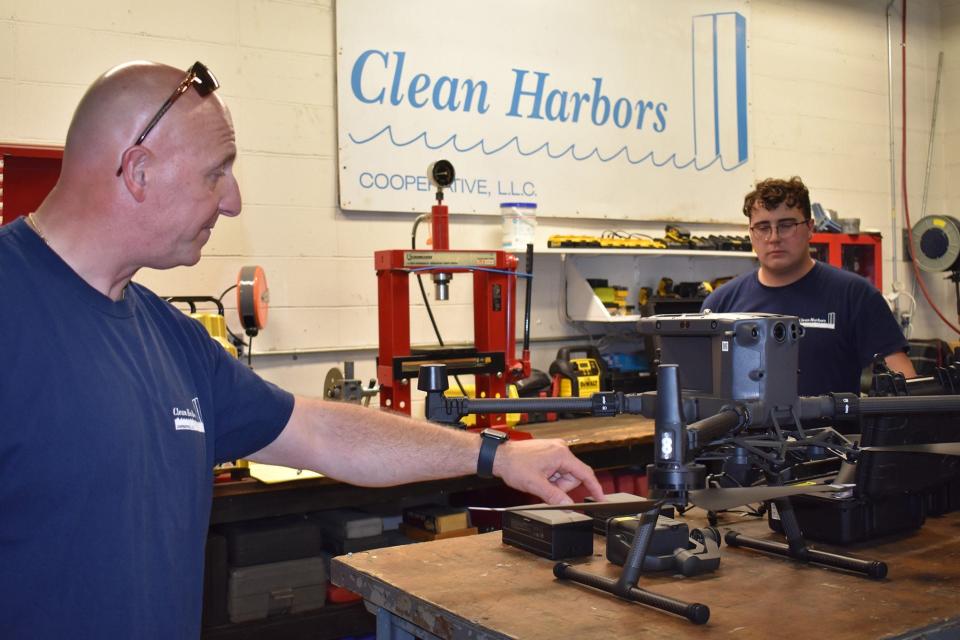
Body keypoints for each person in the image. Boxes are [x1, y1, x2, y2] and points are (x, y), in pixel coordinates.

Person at [0, 61, 604, 638]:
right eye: (217, 172)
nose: (233, 200)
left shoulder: (172, 339)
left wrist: (494, 457)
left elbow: (321, 434)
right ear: (139, 171)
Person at [701, 176, 915, 396]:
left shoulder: (855, 295)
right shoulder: (720, 304)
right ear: (751, 233)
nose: (774, 238)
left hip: (834, 431)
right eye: (763, 227)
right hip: (746, 431)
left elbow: (904, 382)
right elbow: (699, 390)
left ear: (810, 228)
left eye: (786, 226)